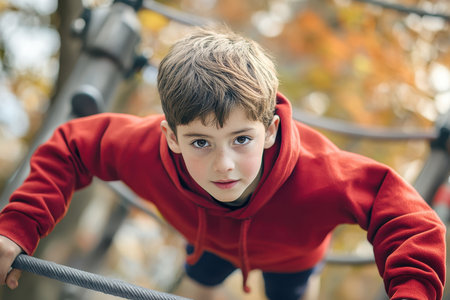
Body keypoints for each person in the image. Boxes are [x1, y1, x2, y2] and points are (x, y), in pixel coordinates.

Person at [0, 26, 445, 300]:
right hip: (207, 242)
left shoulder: (320, 171)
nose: (224, 165)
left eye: (241, 139)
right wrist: (16, 227)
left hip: (292, 256)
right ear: (171, 138)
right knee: (200, 287)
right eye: (200, 143)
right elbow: (72, 146)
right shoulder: (143, 150)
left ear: (269, 130)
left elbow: (409, 219)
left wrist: (414, 292)